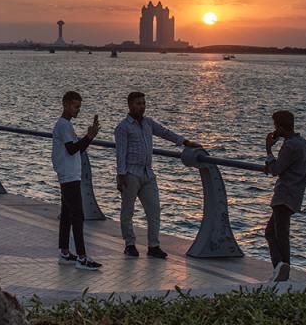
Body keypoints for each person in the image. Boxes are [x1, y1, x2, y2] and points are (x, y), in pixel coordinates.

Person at [113, 92, 200, 258]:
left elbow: (165, 133)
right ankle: (130, 244)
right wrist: (121, 175)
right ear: (130, 105)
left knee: (154, 210)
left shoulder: (148, 123)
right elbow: (120, 153)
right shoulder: (123, 127)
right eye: (138, 103)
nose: (142, 106)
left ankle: (153, 246)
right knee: (127, 211)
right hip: (130, 173)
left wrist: (185, 142)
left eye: (143, 103)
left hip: (148, 173)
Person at [52, 91, 101, 269]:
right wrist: (88, 136)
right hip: (69, 176)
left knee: (66, 214)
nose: (77, 110)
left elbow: (76, 150)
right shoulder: (63, 125)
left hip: (70, 174)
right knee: (78, 215)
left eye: (79, 107)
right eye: (74, 106)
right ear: (65, 104)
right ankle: (81, 257)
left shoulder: (66, 126)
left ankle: (64, 252)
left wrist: (90, 137)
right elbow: (72, 149)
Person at [263, 110, 306, 283]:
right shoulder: (303, 143)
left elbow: (276, 170)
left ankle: (282, 270)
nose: (274, 129)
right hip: (295, 194)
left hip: (284, 195)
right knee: (273, 232)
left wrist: (269, 149)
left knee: (279, 235)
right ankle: (280, 269)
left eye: (276, 126)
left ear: (281, 127)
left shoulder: (290, 146)